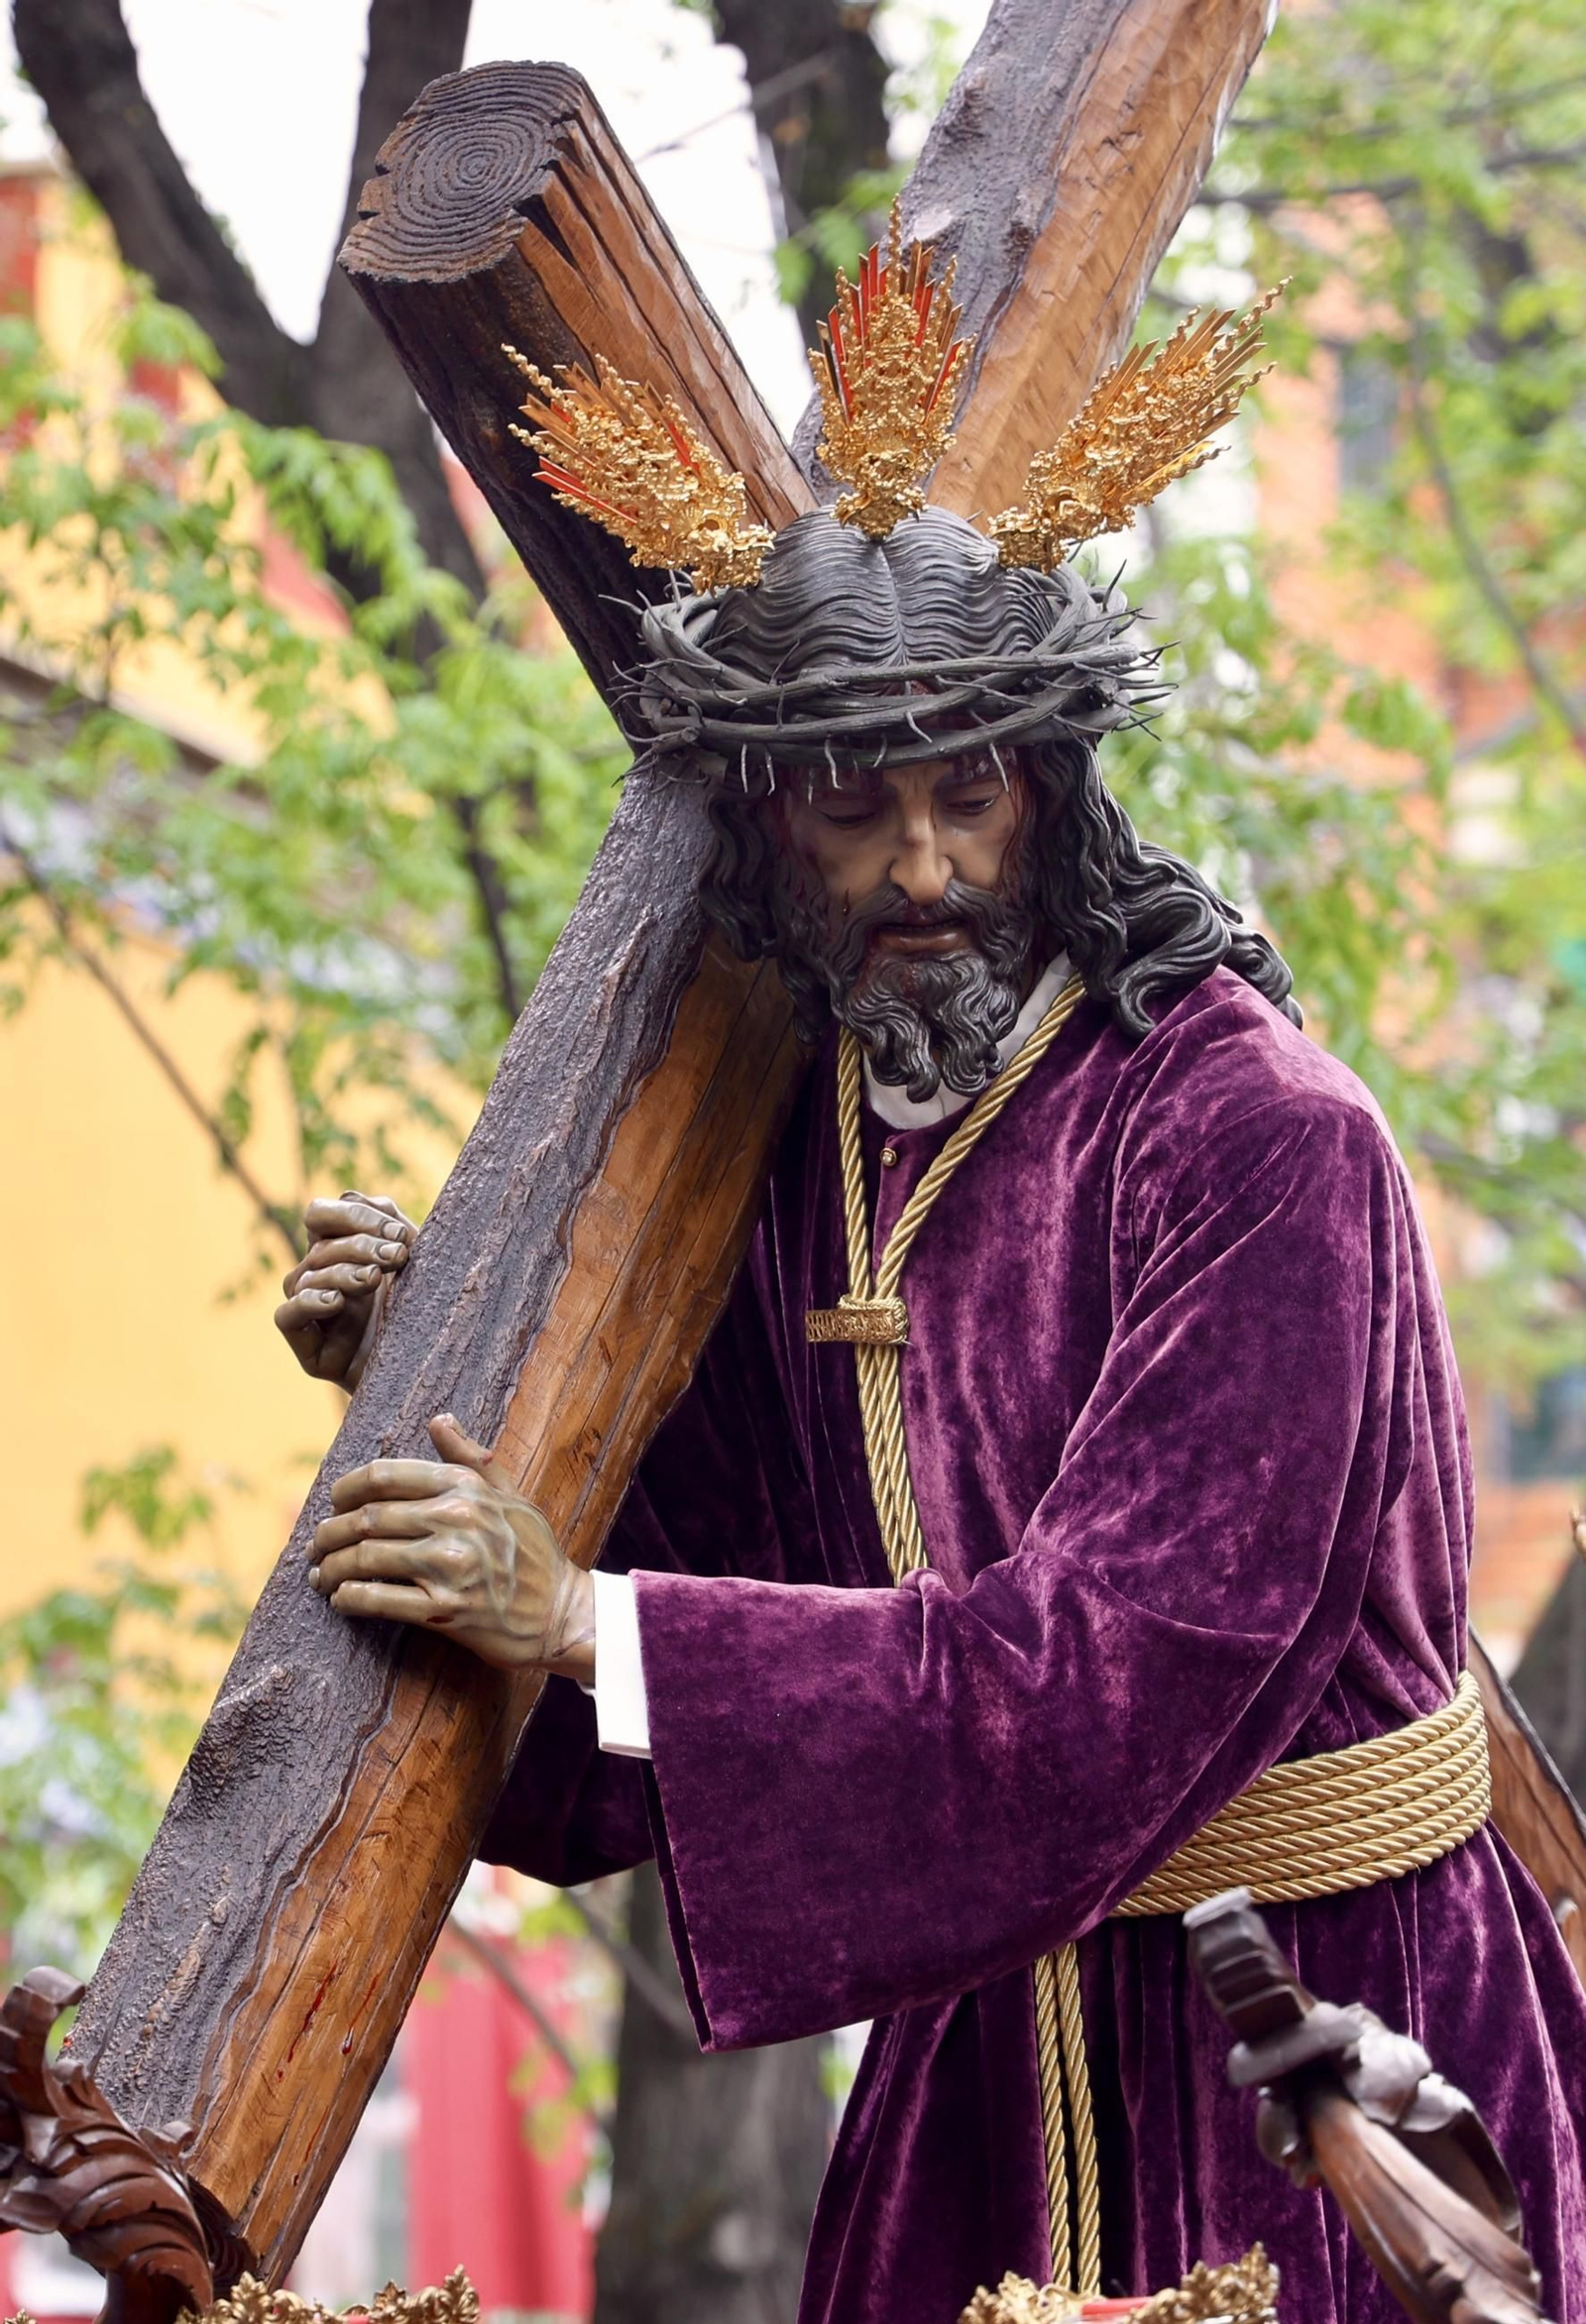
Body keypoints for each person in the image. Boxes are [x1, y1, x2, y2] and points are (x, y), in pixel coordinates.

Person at [276, 247, 1586, 2322]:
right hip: (990, 2067)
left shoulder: (1257, 1136)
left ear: (1047, 789)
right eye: (850, 808)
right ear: (770, 834)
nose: (917, 867)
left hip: (1320, 2049)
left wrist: (585, 1613)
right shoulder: (810, 1152)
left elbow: (1109, 1674)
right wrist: (433, 1390)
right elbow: (667, 1586)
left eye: (962, 791)